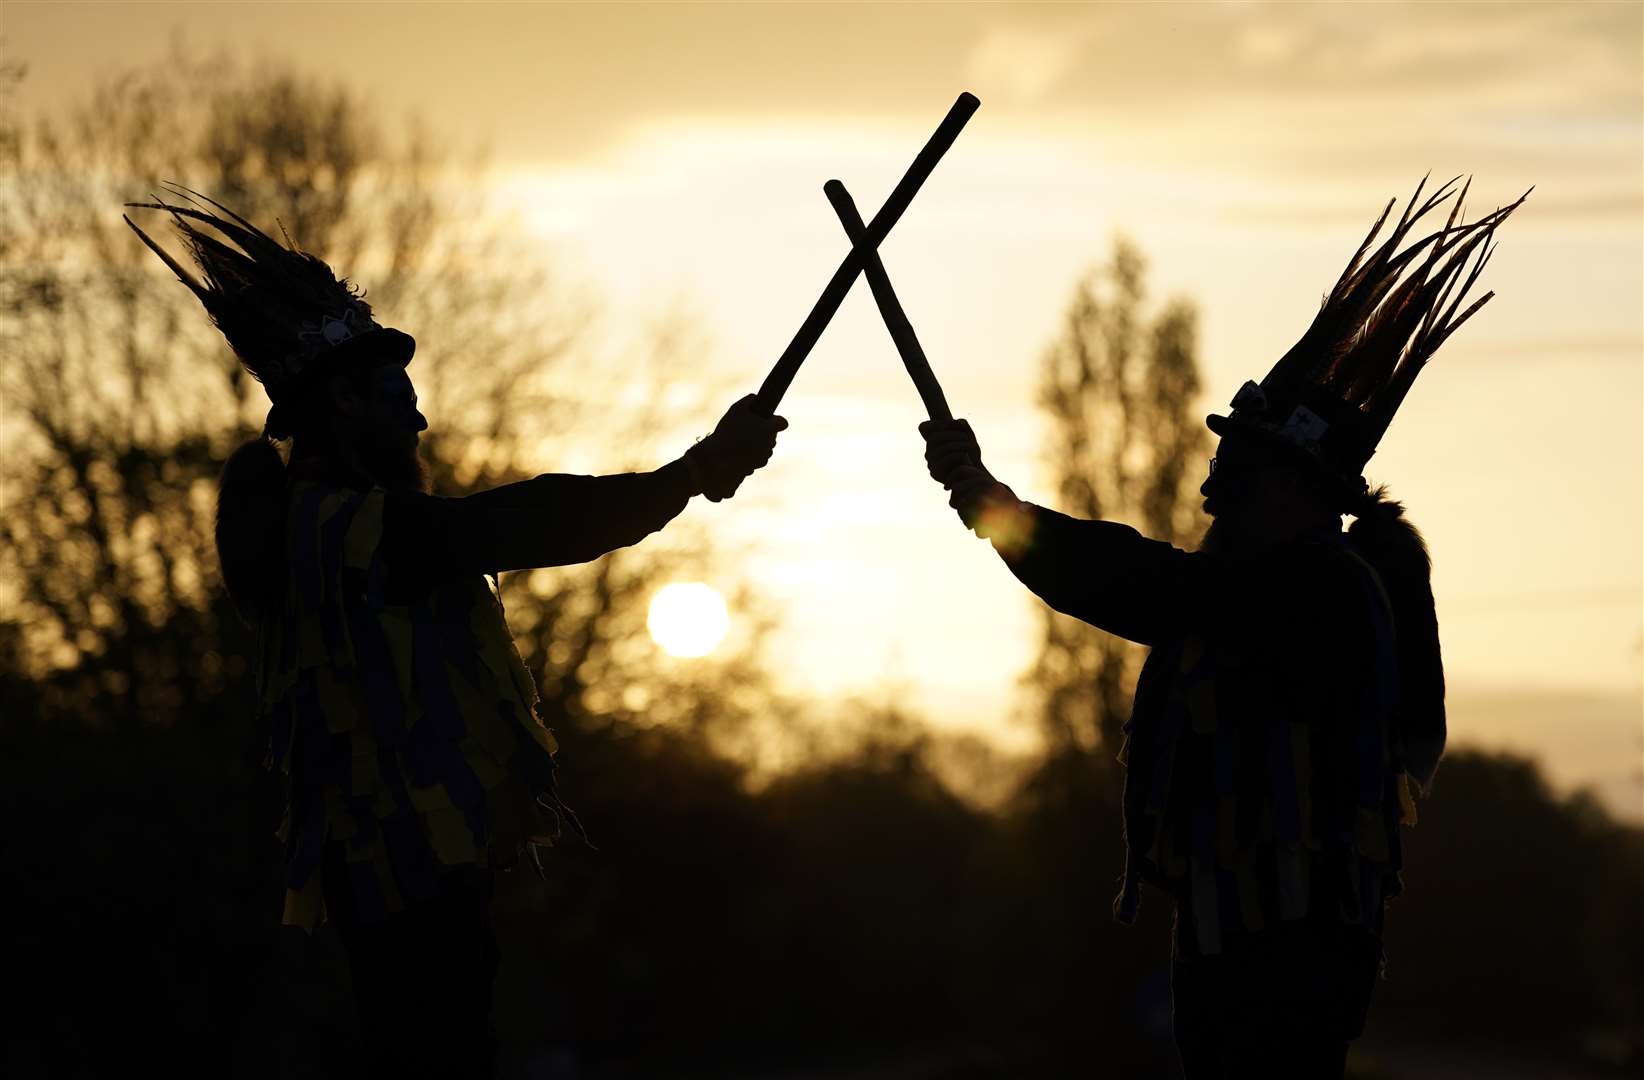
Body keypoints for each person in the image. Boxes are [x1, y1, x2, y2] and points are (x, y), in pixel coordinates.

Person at [125, 186, 786, 1077]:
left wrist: (690, 473)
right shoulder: (350, 533)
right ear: (348, 407)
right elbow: (521, 525)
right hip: (405, 877)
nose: (421, 417)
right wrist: (692, 471)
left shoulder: (317, 531)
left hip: (393, 873)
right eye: (398, 394)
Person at [920, 179, 1524, 1077]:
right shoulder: (1293, 584)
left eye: (1232, 473)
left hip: (1289, 951)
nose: (1209, 493)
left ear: (1293, 486)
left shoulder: (1320, 591)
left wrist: (988, 503)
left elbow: (1145, 586)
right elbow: (1158, 588)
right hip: (1242, 934)